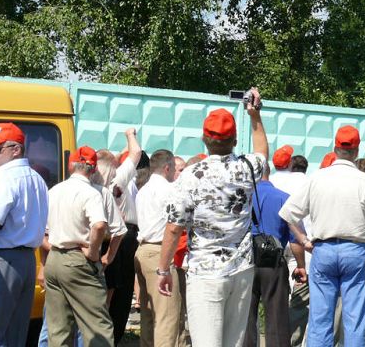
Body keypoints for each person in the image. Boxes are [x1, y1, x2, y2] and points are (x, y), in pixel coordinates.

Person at [158, 94, 269, 347]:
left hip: (205, 271)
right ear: (235, 140)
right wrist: (255, 115)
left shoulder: (191, 175)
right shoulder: (246, 168)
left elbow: (174, 227)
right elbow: (262, 152)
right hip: (241, 268)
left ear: (204, 139)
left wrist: (164, 269)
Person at [279, 125, 365, 347]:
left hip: (323, 250)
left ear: (335, 148)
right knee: (355, 320)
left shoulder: (317, 178)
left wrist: (304, 240)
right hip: (356, 251)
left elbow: (288, 214)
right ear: (356, 150)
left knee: (320, 318)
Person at [0, 122, 48, 347]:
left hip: (1, 259)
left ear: (16, 150)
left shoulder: (6, 178)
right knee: (15, 332)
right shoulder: (36, 178)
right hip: (25, 260)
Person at [43, 146, 114, 347]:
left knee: (58, 329)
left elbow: (41, 229)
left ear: (70, 166)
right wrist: (93, 252)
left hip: (55, 257)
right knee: (97, 327)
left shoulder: (54, 190)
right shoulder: (91, 193)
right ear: (94, 169)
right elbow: (99, 225)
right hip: (77, 259)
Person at [244, 161, 306, 347]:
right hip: (274, 262)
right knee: (277, 317)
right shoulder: (284, 198)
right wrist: (301, 266)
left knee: (245, 317)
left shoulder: (243, 198)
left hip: (245, 261)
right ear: (268, 173)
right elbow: (295, 240)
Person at [95, 128, 142, 344]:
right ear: (112, 167)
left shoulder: (94, 184)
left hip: (102, 239)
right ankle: (112, 337)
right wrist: (130, 134)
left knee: (105, 290)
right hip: (120, 237)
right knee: (119, 293)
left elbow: (124, 156)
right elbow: (135, 153)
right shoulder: (116, 179)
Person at [135, 149, 185, 347]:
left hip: (142, 249)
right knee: (167, 318)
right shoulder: (169, 190)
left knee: (149, 314)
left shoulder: (143, 190)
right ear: (167, 168)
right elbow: (175, 226)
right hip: (159, 252)